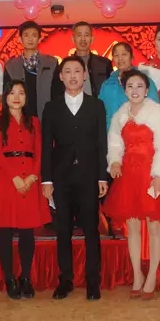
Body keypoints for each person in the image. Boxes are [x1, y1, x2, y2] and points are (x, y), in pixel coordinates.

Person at [102, 69, 160, 299]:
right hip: (128, 177)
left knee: (154, 226)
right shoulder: (120, 114)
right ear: (124, 90)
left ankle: (151, 277)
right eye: (130, 86)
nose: (135, 90)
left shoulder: (158, 113)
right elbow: (115, 143)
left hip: (151, 175)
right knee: (132, 228)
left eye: (140, 86)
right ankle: (137, 275)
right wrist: (115, 161)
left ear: (147, 90)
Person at [41, 56, 108, 300]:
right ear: (60, 77)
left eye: (77, 71)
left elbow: (102, 143)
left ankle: (93, 282)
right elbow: (46, 146)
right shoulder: (52, 107)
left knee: (91, 230)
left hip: (89, 177)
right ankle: (65, 280)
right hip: (61, 177)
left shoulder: (96, 105)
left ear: (85, 75)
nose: (72, 76)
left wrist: (102, 176)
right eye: (67, 71)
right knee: (63, 231)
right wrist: (46, 180)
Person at [0, 80, 51, 299]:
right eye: (12, 93)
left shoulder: (34, 122)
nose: (16, 97)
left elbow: (39, 150)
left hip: (30, 177)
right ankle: (9, 278)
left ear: (26, 97)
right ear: (5, 97)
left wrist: (33, 175)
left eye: (21, 93)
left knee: (27, 231)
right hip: (6, 179)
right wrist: (13, 177)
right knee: (5, 231)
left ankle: (25, 278)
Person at [2, 21, 59, 120]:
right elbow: (6, 95)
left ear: (39, 39)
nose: (30, 39)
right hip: (19, 118)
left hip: (46, 117)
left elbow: (57, 93)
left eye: (34, 35)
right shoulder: (11, 66)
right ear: (20, 39)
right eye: (26, 35)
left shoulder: (51, 62)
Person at [99, 42, 159, 130]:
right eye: (116, 55)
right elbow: (100, 113)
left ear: (132, 57)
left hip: (138, 133)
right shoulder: (107, 85)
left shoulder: (144, 81)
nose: (120, 58)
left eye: (124, 54)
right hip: (112, 134)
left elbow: (155, 109)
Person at [52, 21, 113, 98]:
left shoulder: (104, 63)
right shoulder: (64, 65)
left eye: (86, 35)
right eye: (79, 35)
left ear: (92, 39)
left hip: (99, 104)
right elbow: (57, 91)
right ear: (73, 39)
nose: (83, 39)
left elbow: (111, 89)